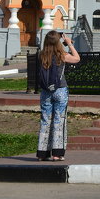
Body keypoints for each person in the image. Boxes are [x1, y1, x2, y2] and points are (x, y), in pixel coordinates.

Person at [36, 30, 80, 161]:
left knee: (45, 120)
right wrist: (69, 44)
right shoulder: (62, 55)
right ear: (58, 42)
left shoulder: (41, 55)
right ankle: (57, 153)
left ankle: (42, 153)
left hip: (45, 92)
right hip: (60, 90)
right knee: (59, 120)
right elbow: (77, 59)